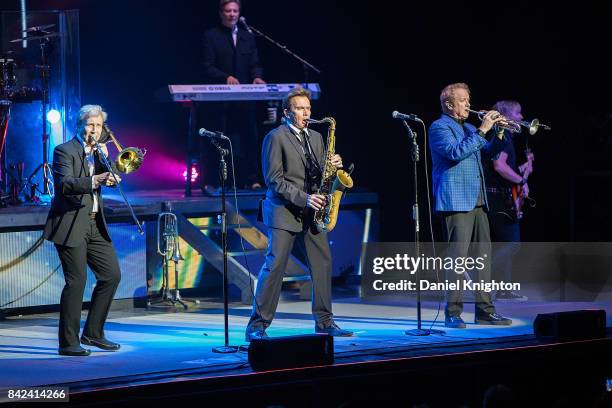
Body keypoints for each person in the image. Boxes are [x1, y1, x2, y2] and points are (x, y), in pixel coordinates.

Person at [245, 87, 353, 341]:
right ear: (287, 112)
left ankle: (324, 321)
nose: (307, 113)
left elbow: (320, 173)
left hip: (312, 213)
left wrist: (335, 164)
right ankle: (257, 326)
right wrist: (305, 198)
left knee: (323, 264)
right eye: (300, 108)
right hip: (284, 211)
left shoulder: (316, 137)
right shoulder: (275, 137)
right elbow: (274, 181)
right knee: (275, 267)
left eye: (308, 108)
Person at [429, 83, 512, 328]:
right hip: (456, 200)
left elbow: (487, 153)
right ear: (449, 104)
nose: (468, 104)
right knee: (457, 261)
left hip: (477, 200)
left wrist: (496, 133)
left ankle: (485, 311)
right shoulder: (438, 127)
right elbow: (455, 152)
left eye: (468, 99)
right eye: (463, 100)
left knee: (482, 259)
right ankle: (452, 313)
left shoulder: (469, 127)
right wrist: (483, 129)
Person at [44, 105, 122, 356]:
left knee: (111, 275)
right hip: (70, 223)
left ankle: (93, 333)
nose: (95, 130)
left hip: (95, 223)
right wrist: (96, 179)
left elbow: (108, 176)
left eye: (99, 126)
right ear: (80, 125)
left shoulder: (99, 152)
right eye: (91, 125)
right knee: (76, 282)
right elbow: (65, 185)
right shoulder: (64, 150)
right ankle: (68, 343)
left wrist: (111, 173)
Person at [200, 0, 265, 190]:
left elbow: (255, 63)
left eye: (235, 11)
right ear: (221, 13)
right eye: (228, 10)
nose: (232, 14)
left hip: (245, 100)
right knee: (221, 142)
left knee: (249, 140)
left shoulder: (247, 36)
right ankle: (218, 182)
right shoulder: (211, 36)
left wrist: (258, 78)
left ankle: (252, 179)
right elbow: (206, 66)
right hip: (221, 102)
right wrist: (225, 77)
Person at [484, 100, 533, 301]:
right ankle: (484, 279)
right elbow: (499, 166)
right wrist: (521, 180)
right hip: (498, 198)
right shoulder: (501, 136)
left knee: (506, 243)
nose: (522, 118)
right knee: (511, 244)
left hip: (500, 195)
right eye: (518, 113)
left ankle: (503, 289)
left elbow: (503, 168)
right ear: (506, 116)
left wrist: (524, 169)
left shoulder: (503, 138)